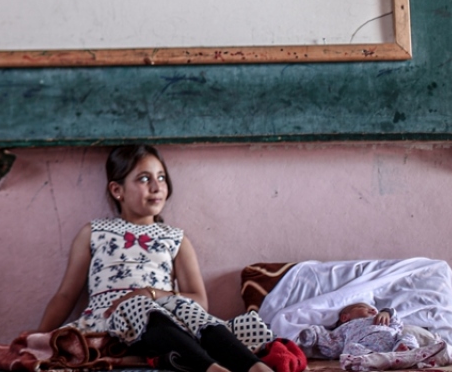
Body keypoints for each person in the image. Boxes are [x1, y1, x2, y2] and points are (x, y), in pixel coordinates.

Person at [37, 144, 274, 372]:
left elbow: (199, 301)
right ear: (117, 190)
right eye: (143, 179)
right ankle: (212, 369)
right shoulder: (94, 232)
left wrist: (151, 293)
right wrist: (39, 336)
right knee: (139, 306)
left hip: (165, 321)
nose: (156, 186)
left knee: (184, 309)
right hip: (109, 321)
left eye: (161, 177)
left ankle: (255, 367)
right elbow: (66, 294)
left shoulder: (175, 238)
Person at [296, 303, 419, 359]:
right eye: (363, 307)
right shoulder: (346, 327)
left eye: (374, 309)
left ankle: (408, 351)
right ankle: (372, 359)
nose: (372, 310)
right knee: (348, 349)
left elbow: (397, 324)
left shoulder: (382, 319)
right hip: (364, 347)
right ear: (345, 317)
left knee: (407, 335)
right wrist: (314, 335)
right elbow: (331, 343)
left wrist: (387, 312)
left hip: (392, 343)